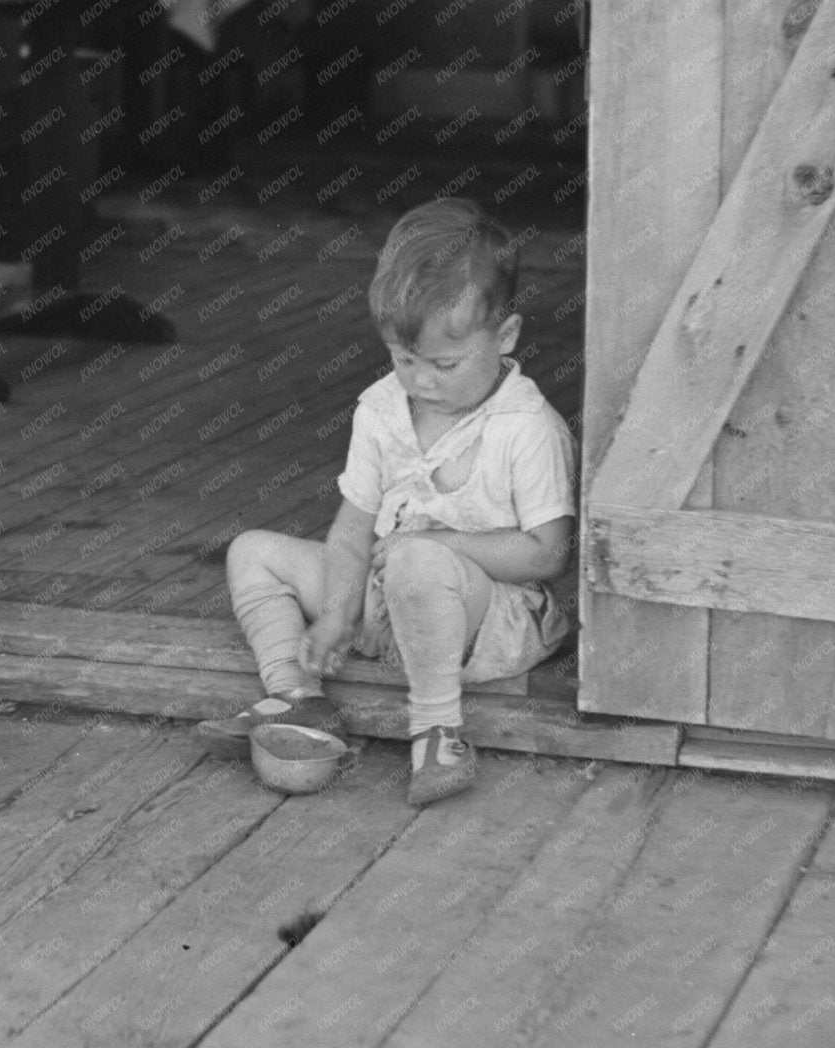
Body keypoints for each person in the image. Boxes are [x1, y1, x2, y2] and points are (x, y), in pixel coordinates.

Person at [205, 197, 575, 806]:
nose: (422, 382)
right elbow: (353, 531)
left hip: (490, 623)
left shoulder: (525, 427)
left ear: (505, 334)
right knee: (254, 552)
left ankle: (437, 731)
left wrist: (432, 544)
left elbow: (546, 555)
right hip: (387, 604)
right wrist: (337, 614)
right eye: (405, 359)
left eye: (445, 364)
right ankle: (299, 696)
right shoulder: (382, 407)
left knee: (415, 560)